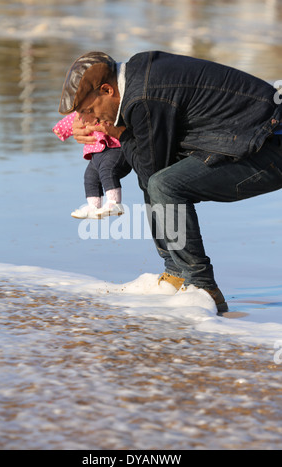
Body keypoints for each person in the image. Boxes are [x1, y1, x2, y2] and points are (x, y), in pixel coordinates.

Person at [58, 51, 282, 313]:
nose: (91, 121)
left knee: (164, 184)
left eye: (89, 112)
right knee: (158, 180)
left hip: (268, 145)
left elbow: (150, 170)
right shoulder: (136, 78)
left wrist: (120, 134)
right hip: (246, 138)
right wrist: (92, 122)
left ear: (108, 90)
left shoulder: (143, 99)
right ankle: (176, 275)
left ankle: (202, 287)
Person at [53, 111, 131, 219]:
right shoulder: (83, 112)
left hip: (114, 148)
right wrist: (60, 129)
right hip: (96, 153)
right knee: (90, 177)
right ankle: (93, 206)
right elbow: (73, 119)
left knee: (107, 170)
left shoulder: (104, 107)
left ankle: (115, 203)